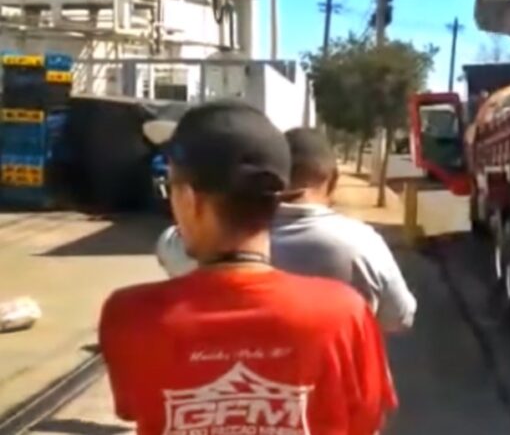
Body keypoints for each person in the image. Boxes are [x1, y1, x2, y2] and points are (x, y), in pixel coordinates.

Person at [100, 100, 396, 435]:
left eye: (170, 187)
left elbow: (132, 407)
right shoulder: (346, 314)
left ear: (189, 199)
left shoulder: (130, 315)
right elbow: (367, 423)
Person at [155, 127, 418, 333]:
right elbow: (400, 318)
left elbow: (169, 245)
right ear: (333, 180)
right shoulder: (364, 243)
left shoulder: (227, 236)